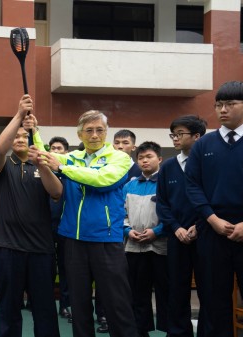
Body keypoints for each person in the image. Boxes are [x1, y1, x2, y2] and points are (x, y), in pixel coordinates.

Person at [44, 110, 138, 337]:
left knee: (117, 305)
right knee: (79, 306)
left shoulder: (120, 158)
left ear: (106, 132)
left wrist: (63, 169)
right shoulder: (73, 157)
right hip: (74, 241)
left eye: (100, 130)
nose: (95, 135)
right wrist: (32, 128)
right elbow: (43, 155)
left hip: (106, 240)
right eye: (89, 130)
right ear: (80, 134)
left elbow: (102, 180)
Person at [0, 94, 63, 337]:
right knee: (9, 309)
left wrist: (41, 162)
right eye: (16, 136)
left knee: (45, 309)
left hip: (41, 249)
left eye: (24, 135)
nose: (19, 139)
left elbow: (57, 192)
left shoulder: (43, 167)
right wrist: (19, 114)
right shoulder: (2, 165)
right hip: (7, 248)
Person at [186, 80, 243, 337]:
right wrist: (211, 218)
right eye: (218, 105)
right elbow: (192, 185)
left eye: (229, 104)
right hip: (213, 232)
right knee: (214, 303)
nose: (222, 109)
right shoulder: (204, 145)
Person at [156, 115, 206, 337]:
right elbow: (162, 202)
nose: (175, 138)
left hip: (205, 234)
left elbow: (214, 199)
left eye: (180, 134)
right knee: (177, 288)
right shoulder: (167, 166)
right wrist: (176, 227)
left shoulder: (209, 163)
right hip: (176, 237)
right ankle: (178, 332)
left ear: (197, 136)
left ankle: (208, 331)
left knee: (208, 288)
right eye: (173, 134)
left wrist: (199, 225)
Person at [123, 141, 168, 337]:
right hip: (133, 247)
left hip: (161, 248)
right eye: (140, 158)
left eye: (148, 157)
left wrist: (156, 231)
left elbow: (173, 214)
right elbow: (120, 214)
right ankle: (141, 331)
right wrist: (127, 231)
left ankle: (170, 330)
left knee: (166, 293)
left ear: (159, 159)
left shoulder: (166, 184)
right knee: (137, 293)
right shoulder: (129, 185)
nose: (144, 161)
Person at [47, 136, 72, 321]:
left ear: (66, 152)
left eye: (59, 148)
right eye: (52, 148)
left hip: (66, 228)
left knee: (65, 269)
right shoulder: (41, 172)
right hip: (44, 229)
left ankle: (65, 306)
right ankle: (41, 303)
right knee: (45, 268)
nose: (55, 151)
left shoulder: (71, 173)